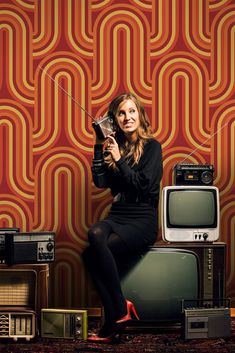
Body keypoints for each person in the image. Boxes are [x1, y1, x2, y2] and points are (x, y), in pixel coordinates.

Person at [82, 92, 163, 343]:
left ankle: (112, 320)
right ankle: (120, 308)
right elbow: (100, 182)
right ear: (114, 120)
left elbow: (142, 187)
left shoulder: (152, 147)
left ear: (140, 115)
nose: (127, 117)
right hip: (119, 214)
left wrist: (119, 159)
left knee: (91, 255)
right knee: (94, 235)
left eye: (132, 111)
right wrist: (99, 146)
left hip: (142, 219)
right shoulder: (114, 145)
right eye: (121, 113)